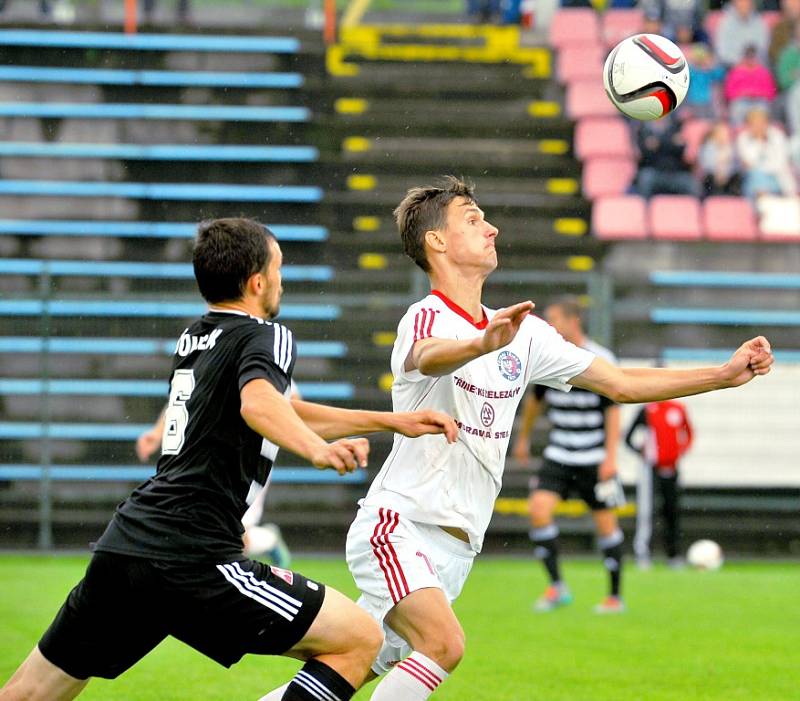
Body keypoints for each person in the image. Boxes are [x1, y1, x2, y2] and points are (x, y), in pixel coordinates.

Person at [343, 176, 772, 700]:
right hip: (400, 524)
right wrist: (480, 343)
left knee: (349, 665)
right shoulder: (426, 317)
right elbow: (429, 355)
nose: (492, 227)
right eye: (473, 219)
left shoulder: (525, 334)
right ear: (436, 241)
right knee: (443, 645)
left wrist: (720, 375)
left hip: (455, 549)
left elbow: (618, 382)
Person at [0, 217, 460, 701]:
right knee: (360, 640)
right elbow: (260, 404)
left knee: (31, 691)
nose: (282, 280)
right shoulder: (268, 334)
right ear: (258, 281)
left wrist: (391, 421)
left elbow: (278, 408)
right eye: (279, 267)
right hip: (194, 556)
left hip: (128, 546)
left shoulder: (196, 337)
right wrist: (317, 451)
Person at [511, 297, 625, 614]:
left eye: (555, 318)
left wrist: (610, 458)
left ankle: (615, 596)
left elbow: (613, 410)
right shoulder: (549, 356)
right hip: (560, 453)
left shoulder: (600, 358)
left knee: (606, 525)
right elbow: (535, 401)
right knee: (538, 510)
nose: (550, 324)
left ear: (574, 320)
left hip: (593, 456)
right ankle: (557, 587)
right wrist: (524, 438)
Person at [624, 399, 693, 569]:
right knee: (647, 511)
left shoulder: (677, 409)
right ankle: (643, 554)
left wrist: (679, 451)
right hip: (650, 468)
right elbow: (627, 437)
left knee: (671, 510)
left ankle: (673, 555)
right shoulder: (647, 410)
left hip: (671, 467)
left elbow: (689, 434)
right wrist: (640, 451)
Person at [736, 105, 797, 199]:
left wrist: (763, 166)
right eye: (754, 123)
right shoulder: (743, 138)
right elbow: (748, 164)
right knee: (756, 177)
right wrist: (759, 141)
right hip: (755, 179)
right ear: (749, 124)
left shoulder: (778, 136)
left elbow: (781, 161)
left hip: (778, 177)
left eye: (761, 122)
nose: (758, 126)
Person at [634, 114, 701, 198]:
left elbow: (681, 149)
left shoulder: (676, 126)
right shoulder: (644, 129)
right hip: (655, 172)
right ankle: (643, 209)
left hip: (675, 173)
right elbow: (645, 152)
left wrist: (659, 143)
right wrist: (670, 142)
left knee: (691, 184)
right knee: (645, 179)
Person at [723, 45, 778, 125]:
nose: (750, 60)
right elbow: (729, 92)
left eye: (753, 57)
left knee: (763, 108)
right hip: (741, 101)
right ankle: (738, 131)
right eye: (748, 56)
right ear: (744, 57)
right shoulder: (736, 72)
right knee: (736, 109)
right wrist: (742, 93)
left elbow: (771, 92)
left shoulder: (764, 72)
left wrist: (757, 93)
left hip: (759, 101)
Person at [714, 0, 770, 68]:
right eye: (741, 1)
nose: (744, 4)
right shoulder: (725, 23)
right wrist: (740, 63)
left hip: (756, 68)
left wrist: (751, 62)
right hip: (731, 68)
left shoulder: (760, 22)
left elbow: (764, 49)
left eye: (747, 1)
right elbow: (722, 53)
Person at [698, 120, 742, 196]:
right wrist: (718, 172)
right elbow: (706, 165)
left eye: (726, 134)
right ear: (715, 135)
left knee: (737, 177)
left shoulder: (731, 148)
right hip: (713, 176)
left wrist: (726, 172)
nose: (724, 136)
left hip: (728, 176)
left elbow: (736, 165)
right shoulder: (708, 147)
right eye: (721, 134)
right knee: (709, 178)